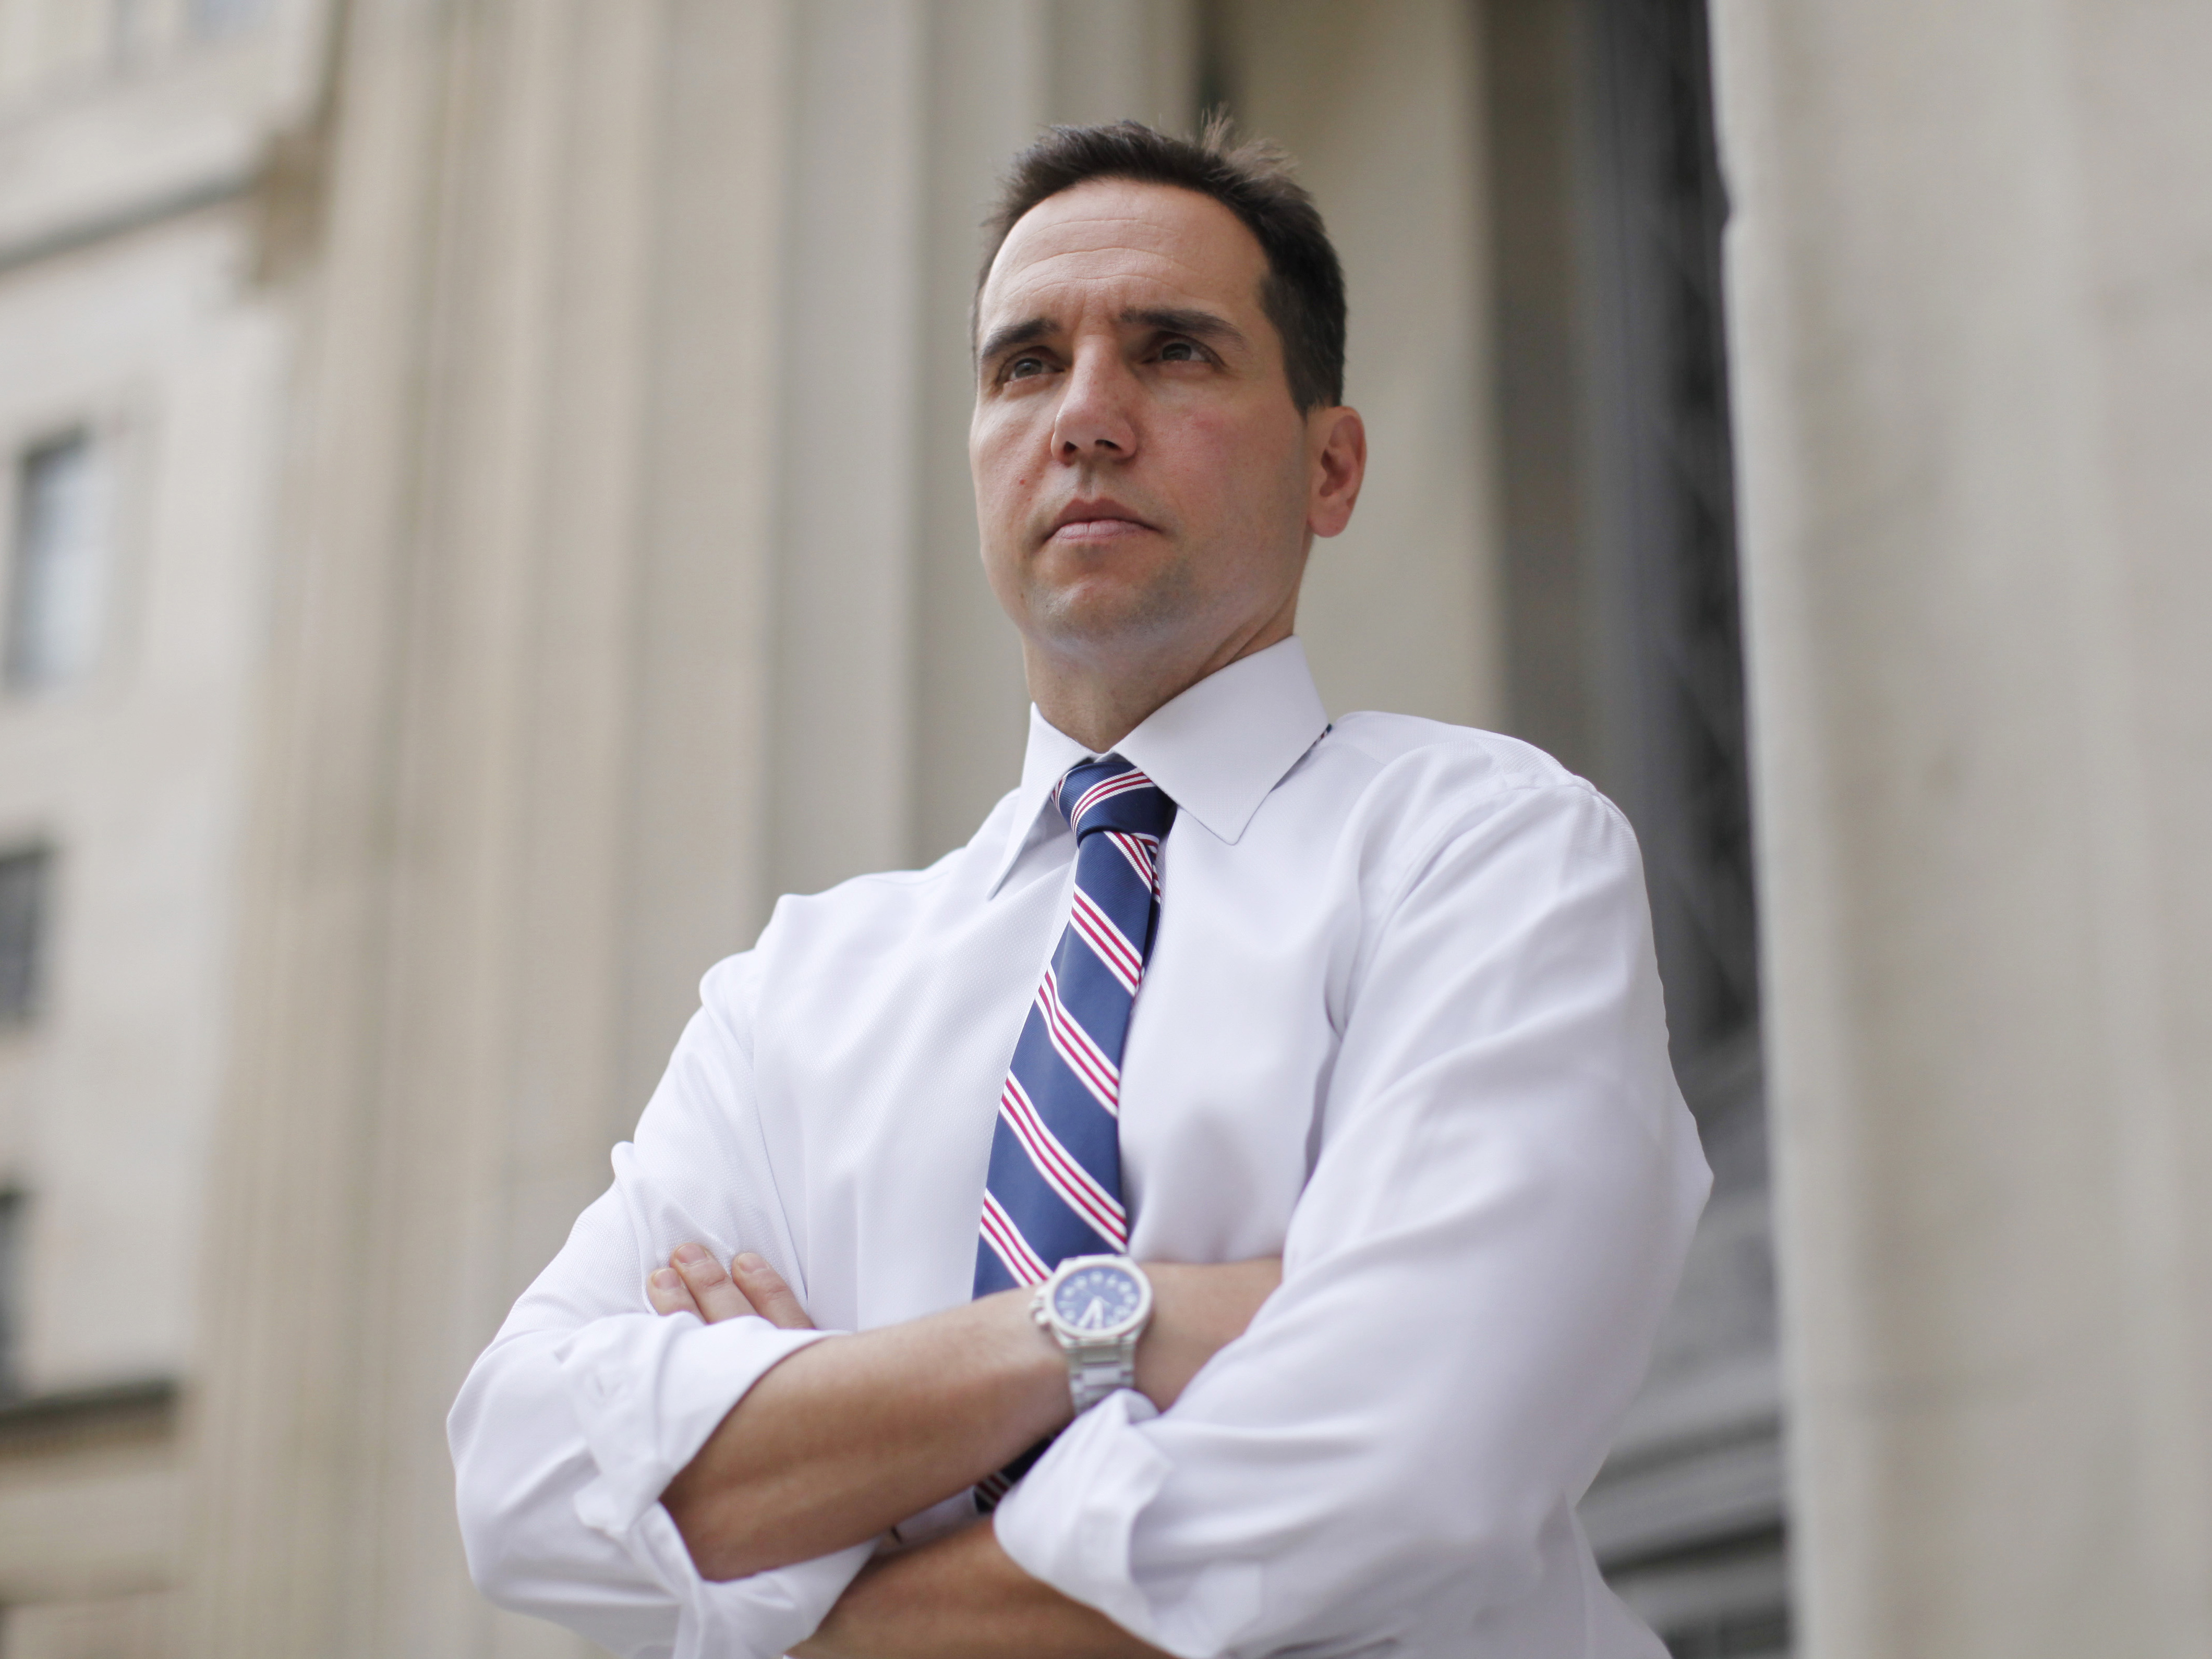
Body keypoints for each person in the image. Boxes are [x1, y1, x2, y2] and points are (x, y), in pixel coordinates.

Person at [450, 119, 1709, 1659]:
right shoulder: (795, 994)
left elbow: (1398, 1475)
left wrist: (808, 1549)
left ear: (1329, 465)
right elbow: (519, 1476)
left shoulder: (1485, 853)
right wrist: (1114, 1325)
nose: (1088, 417)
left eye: (1173, 352)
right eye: (1024, 363)